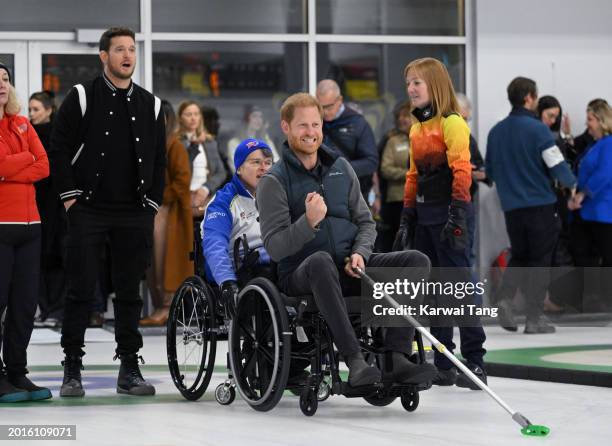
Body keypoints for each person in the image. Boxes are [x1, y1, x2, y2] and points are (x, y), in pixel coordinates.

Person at [256, 92, 437, 388]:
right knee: (321, 261)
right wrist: (308, 222)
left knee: (415, 261)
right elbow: (275, 248)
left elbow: (366, 222)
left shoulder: (342, 167)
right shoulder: (273, 181)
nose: (311, 132)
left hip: (351, 267)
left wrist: (361, 253)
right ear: (286, 127)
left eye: (316, 124)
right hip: (302, 274)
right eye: (302, 126)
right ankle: (354, 360)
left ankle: (396, 357)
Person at [49, 27, 166, 397]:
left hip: (134, 211)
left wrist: (151, 203)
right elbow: (58, 147)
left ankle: (129, 367)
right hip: (88, 208)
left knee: (130, 292)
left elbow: (160, 159)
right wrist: (70, 198)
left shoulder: (153, 104)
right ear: (104, 56)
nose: (127, 55)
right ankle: (72, 367)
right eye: (119, 49)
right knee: (80, 289)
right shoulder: (82, 96)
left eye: (132, 49)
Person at [396, 58, 487, 389]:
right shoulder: (417, 127)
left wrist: (457, 216)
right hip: (425, 217)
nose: (410, 89)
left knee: (459, 290)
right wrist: (407, 217)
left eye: (417, 82)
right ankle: (445, 360)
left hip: (451, 216)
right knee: (434, 293)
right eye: (408, 83)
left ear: (433, 84)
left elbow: (462, 171)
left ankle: (475, 362)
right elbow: (412, 175)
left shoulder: (452, 123)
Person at [486, 77, 576, 333]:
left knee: (521, 255)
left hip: (512, 208)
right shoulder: (538, 130)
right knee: (539, 260)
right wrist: (572, 183)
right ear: (528, 98)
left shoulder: (496, 132)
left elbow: (490, 172)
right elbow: (557, 166)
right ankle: (534, 319)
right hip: (540, 206)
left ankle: (504, 298)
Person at [0, 63, 52, 402]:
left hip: (31, 228)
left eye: (4, 79)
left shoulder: (21, 121)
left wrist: (10, 168)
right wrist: (23, 161)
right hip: (1, 227)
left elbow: (44, 164)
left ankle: (17, 371)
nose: (1, 84)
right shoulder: (20, 128)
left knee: (23, 305)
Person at [202, 138, 274, 317]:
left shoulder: (278, 194)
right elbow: (214, 244)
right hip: (239, 267)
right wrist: (227, 282)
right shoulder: (223, 201)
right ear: (239, 168)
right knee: (264, 275)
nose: (263, 168)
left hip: (274, 260)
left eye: (268, 163)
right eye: (255, 162)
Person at [142, 100, 192, 326]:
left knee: (164, 260)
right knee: (152, 261)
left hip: (168, 210)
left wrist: (159, 197)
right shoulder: (151, 143)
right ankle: (159, 306)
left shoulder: (174, 145)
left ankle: (166, 307)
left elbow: (182, 183)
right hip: (153, 207)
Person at [567, 101, 612, 310]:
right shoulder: (595, 145)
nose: (588, 124)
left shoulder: (609, 144)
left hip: (603, 211)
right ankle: (594, 301)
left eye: (591, 120)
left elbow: (604, 174)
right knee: (589, 259)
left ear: (602, 121)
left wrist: (583, 194)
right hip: (590, 212)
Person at [28, 91, 66, 328]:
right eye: (30, 110)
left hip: (55, 202)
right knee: (37, 256)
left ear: (49, 110)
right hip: (34, 200)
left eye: (36, 109)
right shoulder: (27, 134)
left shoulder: (57, 135)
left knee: (57, 255)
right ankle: (42, 307)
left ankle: (57, 309)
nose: (32, 114)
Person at [316, 79, 379, 201]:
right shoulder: (315, 122)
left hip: (354, 194)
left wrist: (340, 169)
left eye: (328, 106)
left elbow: (371, 162)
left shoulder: (358, 123)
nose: (324, 112)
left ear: (339, 100)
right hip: (323, 193)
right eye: (320, 107)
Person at [456, 92, 491, 266]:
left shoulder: (467, 138)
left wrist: (482, 173)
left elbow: (479, 163)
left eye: (467, 120)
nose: (465, 124)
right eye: (462, 118)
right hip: (447, 206)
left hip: (467, 200)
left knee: (467, 254)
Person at [176, 101, 227, 218]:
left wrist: (206, 188)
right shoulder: (176, 143)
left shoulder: (209, 142)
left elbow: (221, 172)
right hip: (182, 200)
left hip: (206, 199)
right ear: (180, 118)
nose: (193, 118)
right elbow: (179, 170)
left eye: (196, 114)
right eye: (188, 115)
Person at [378, 100, 412, 252]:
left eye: (406, 116)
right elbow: (385, 169)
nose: (401, 120)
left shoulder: (424, 138)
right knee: (395, 243)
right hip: (397, 199)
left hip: (420, 200)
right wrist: (408, 174)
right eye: (399, 116)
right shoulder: (392, 141)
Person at [227, 105, 279, 173]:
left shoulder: (267, 141)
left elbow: (277, 163)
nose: (258, 120)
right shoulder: (234, 143)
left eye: (260, 117)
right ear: (246, 119)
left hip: (266, 180)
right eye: (254, 116)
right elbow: (237, 169)